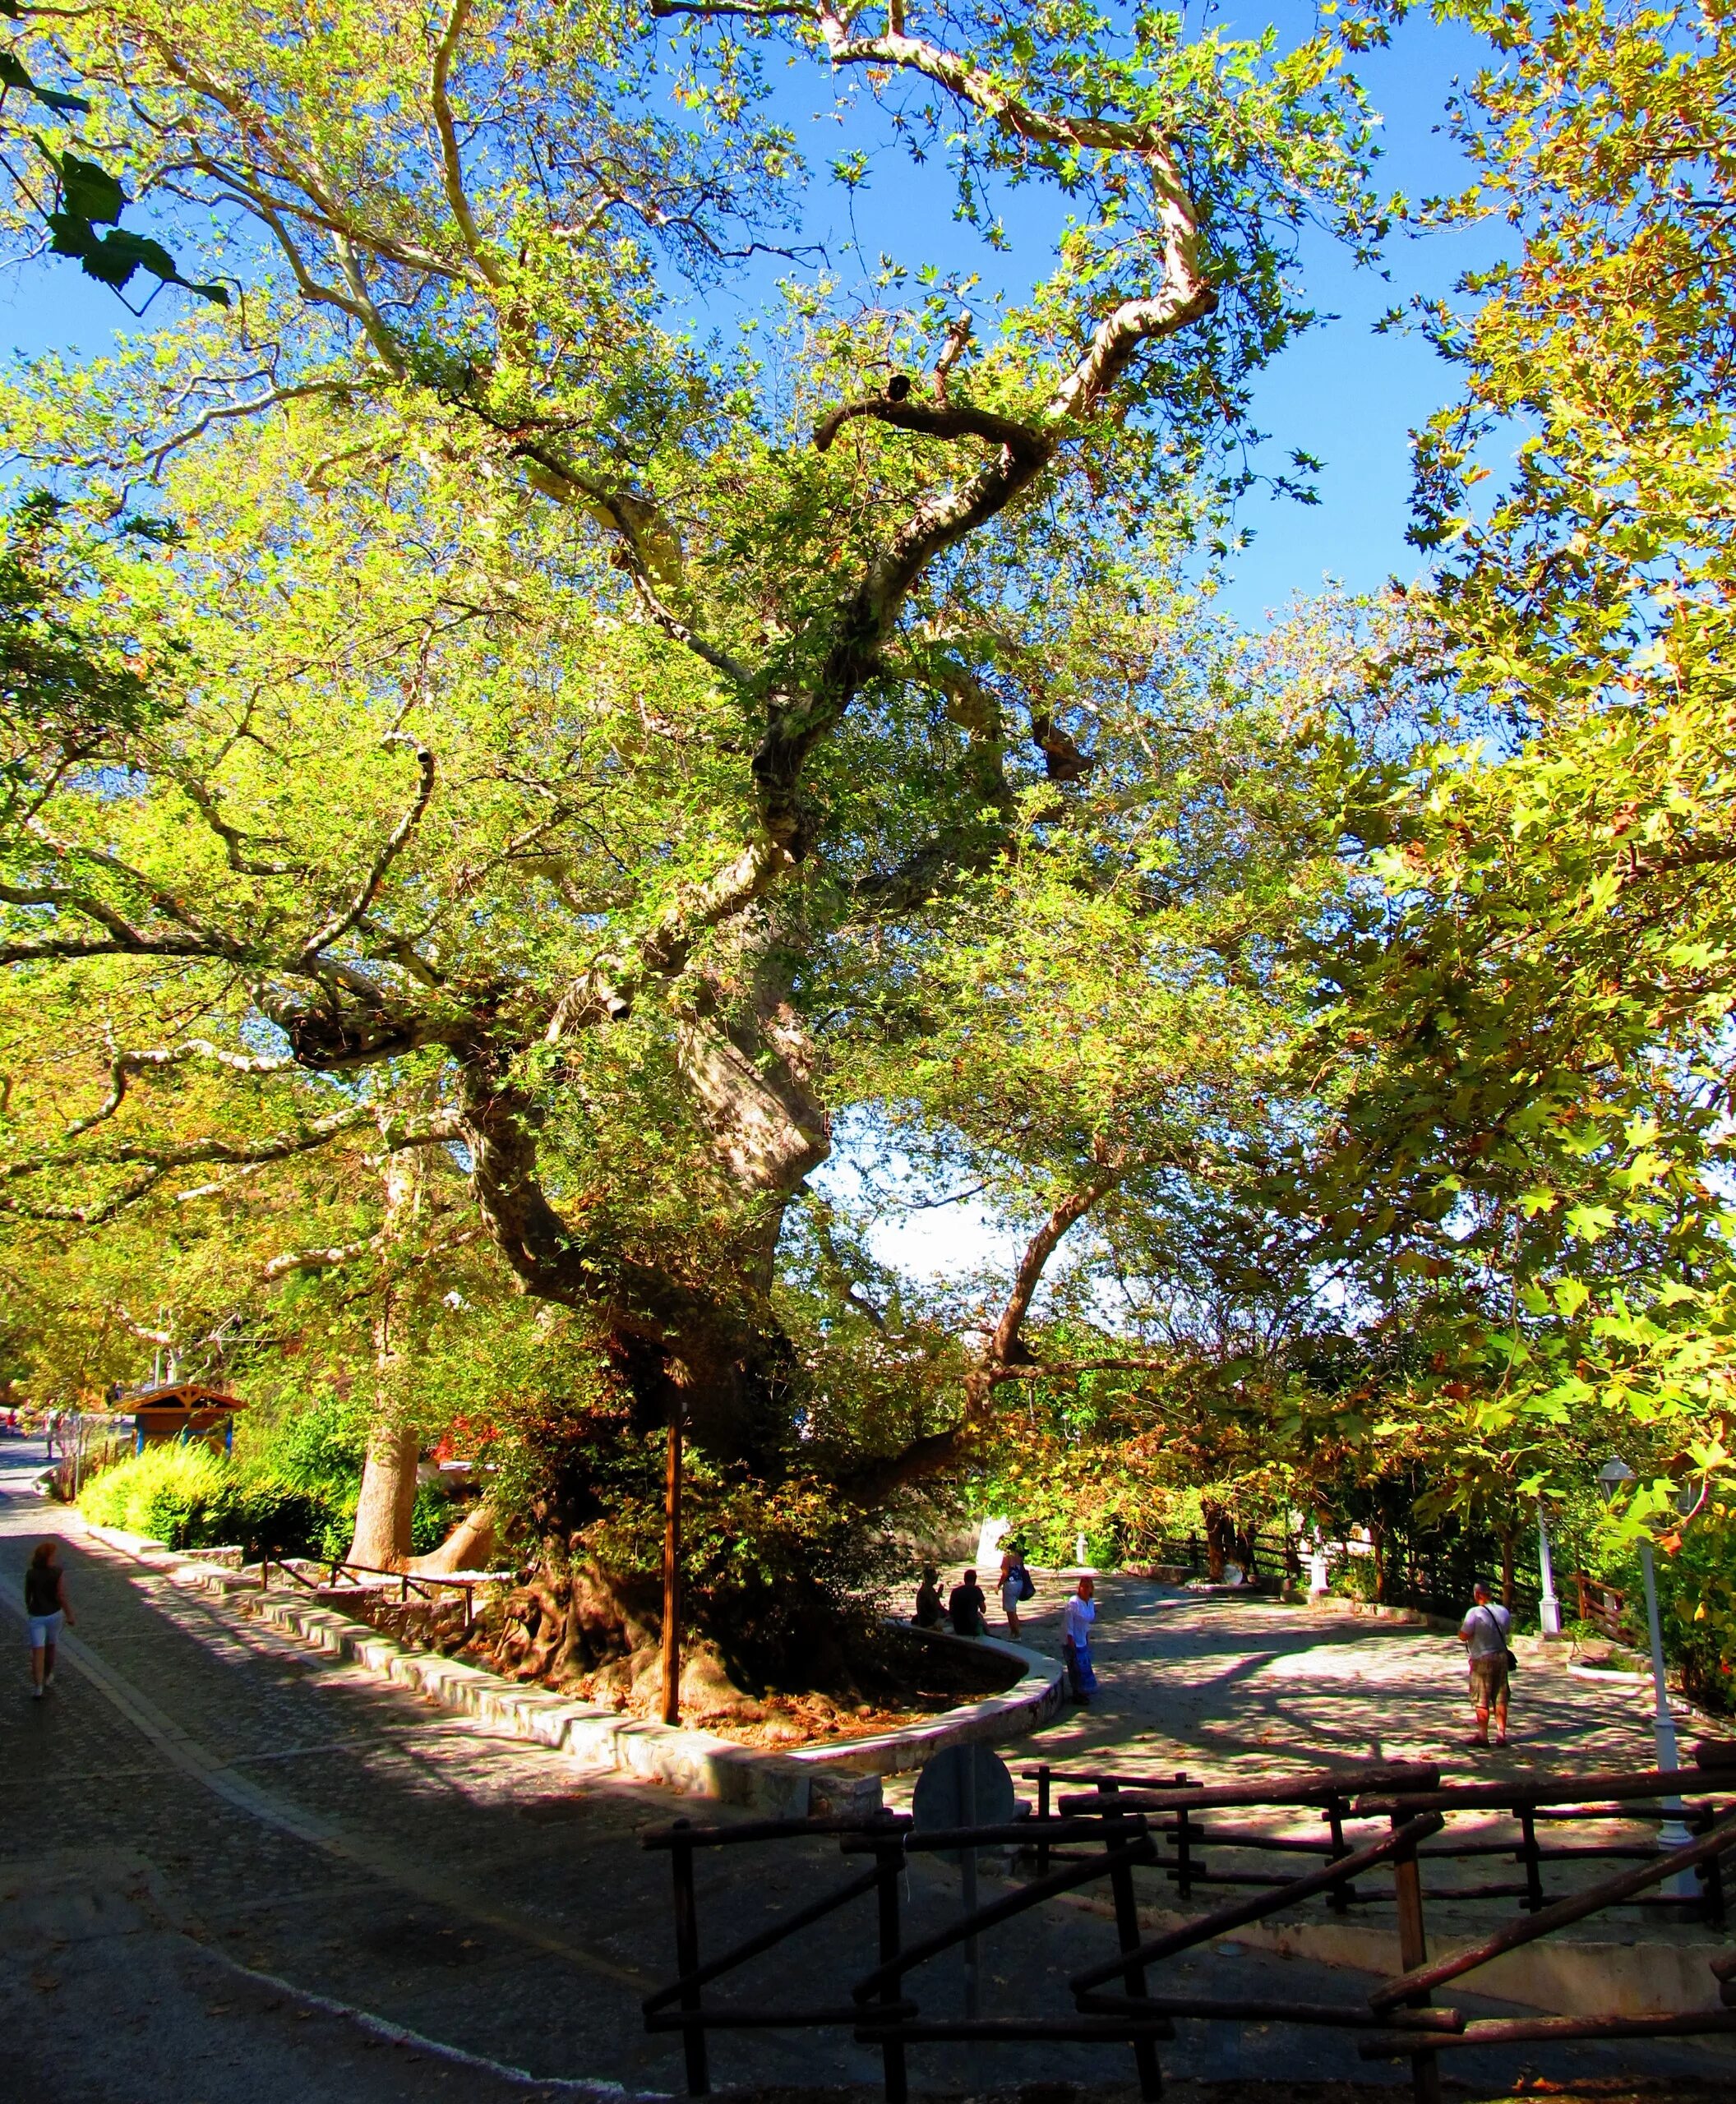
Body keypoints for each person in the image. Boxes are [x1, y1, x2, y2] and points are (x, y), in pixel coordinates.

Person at [1458, 1578, 1512, 1746]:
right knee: (1500, 1696)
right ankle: (1501, 1735)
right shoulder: (1503, 1611)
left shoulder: (1474, 1613)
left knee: (1482, 1698)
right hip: (1501, 1656)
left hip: (1482, 1659)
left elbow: (1464, 1635)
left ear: (1478, 1595)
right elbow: (1507, 1631)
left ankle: (1483, 1735)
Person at [25, 1541, 74, 1699]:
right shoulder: (57, 1572)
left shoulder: (31, 1573)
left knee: (37, 1650)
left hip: (37, 1616)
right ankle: (47, 1676)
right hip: (54, 1614)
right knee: (51, 1646)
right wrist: (69, 1614)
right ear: (49, 1557)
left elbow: (28, 1596)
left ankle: (38, 1686)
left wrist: (30, 1608)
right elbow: (61, 1595)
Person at [1063, 1575, 1097, 1702]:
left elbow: (1087, 1622)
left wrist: (1087, 1638)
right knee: (1075, 1668)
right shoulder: (1073, 1603)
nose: (1085, 1589)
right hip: (1071, 1639)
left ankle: (1084, 1691)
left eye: (1088, 1587)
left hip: (1082, 1638)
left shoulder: (1090, 1602)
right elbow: (1068, 1623)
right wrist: (1070, 1640)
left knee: (1084, 1667)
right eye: (1083, 1586)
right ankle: (1077, 1694)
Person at [999, 1543, 1033, 1638]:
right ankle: (1014, 1632)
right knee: (1013, 1609)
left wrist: (999, 1585)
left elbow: (1005, 1573)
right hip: (1020, 1583)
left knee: (1010, 1611)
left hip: (1010, 1584)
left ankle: (1016, 1633)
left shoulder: (1007, 1558)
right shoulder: (1019, 1557)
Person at [947, 1568, 987, 1638]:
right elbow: (983, 1610)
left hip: (958, 1627)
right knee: (980, 1617)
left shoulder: (955, 1591)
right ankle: (988, 1635)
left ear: (965, 1579)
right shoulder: (976, 1590)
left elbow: (951, 1611)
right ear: (975, 1580)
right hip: (972, 1627)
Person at [913, 1564, 944, 1629]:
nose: (935, 1579)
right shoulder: (925, 1590)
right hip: (928, 1621)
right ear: (927, 1578)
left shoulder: (930, 1589)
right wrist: (939, 1593)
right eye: (933, 1577)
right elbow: (933, 1606)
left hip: (931, 1618)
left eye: (936, 1577)